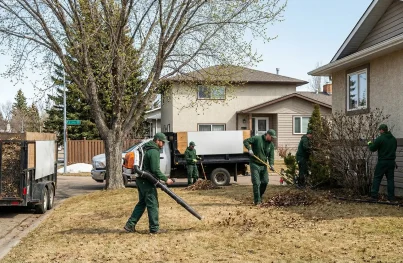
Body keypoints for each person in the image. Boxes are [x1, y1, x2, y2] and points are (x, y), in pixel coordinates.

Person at [124, 133, 174, 234]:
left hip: (141, 180)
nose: (163, 144)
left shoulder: (147, 148)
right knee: (153, 204)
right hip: (146, 181)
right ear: (158, 141)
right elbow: (155, 169)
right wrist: (166, 179)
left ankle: (130, 225)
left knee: (142, 203)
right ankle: (154, 229)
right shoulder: (154, 151)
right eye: (162, 142)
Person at [243, 129, 276, 205]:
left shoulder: (271, 145)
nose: (272, 139)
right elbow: (245, 141)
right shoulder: (257, 139)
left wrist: (271, 164)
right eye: (272, 137)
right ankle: (257, 201)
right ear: (267, 135)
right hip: (254, 163)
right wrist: (250, 149)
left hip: (263, 165)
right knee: (256, 182)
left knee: (265, 181)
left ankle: (259, 196)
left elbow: (271, 156)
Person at [368, 124, 397, 201]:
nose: (379, 132)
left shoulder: (380, 138)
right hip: (391, 162)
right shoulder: (394, 139)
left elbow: (372, 148)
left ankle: (374, 196)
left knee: (377, 178)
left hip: (382, 162)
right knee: (390, 180)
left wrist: (369, 143)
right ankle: (391, 197)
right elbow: (394, 150)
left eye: (379, 130)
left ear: (382, 130)